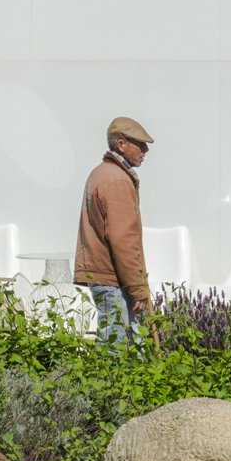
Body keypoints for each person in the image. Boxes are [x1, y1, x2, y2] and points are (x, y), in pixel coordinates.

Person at [74, 116, 154, 347]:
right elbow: (123, 240)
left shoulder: (102, 173)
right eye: (140, 144)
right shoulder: (117, 180)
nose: (145, 150)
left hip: (107, 275)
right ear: (121, 144)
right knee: (116, 348)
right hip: (112, 278)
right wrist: (137, 287)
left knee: (117, 343)